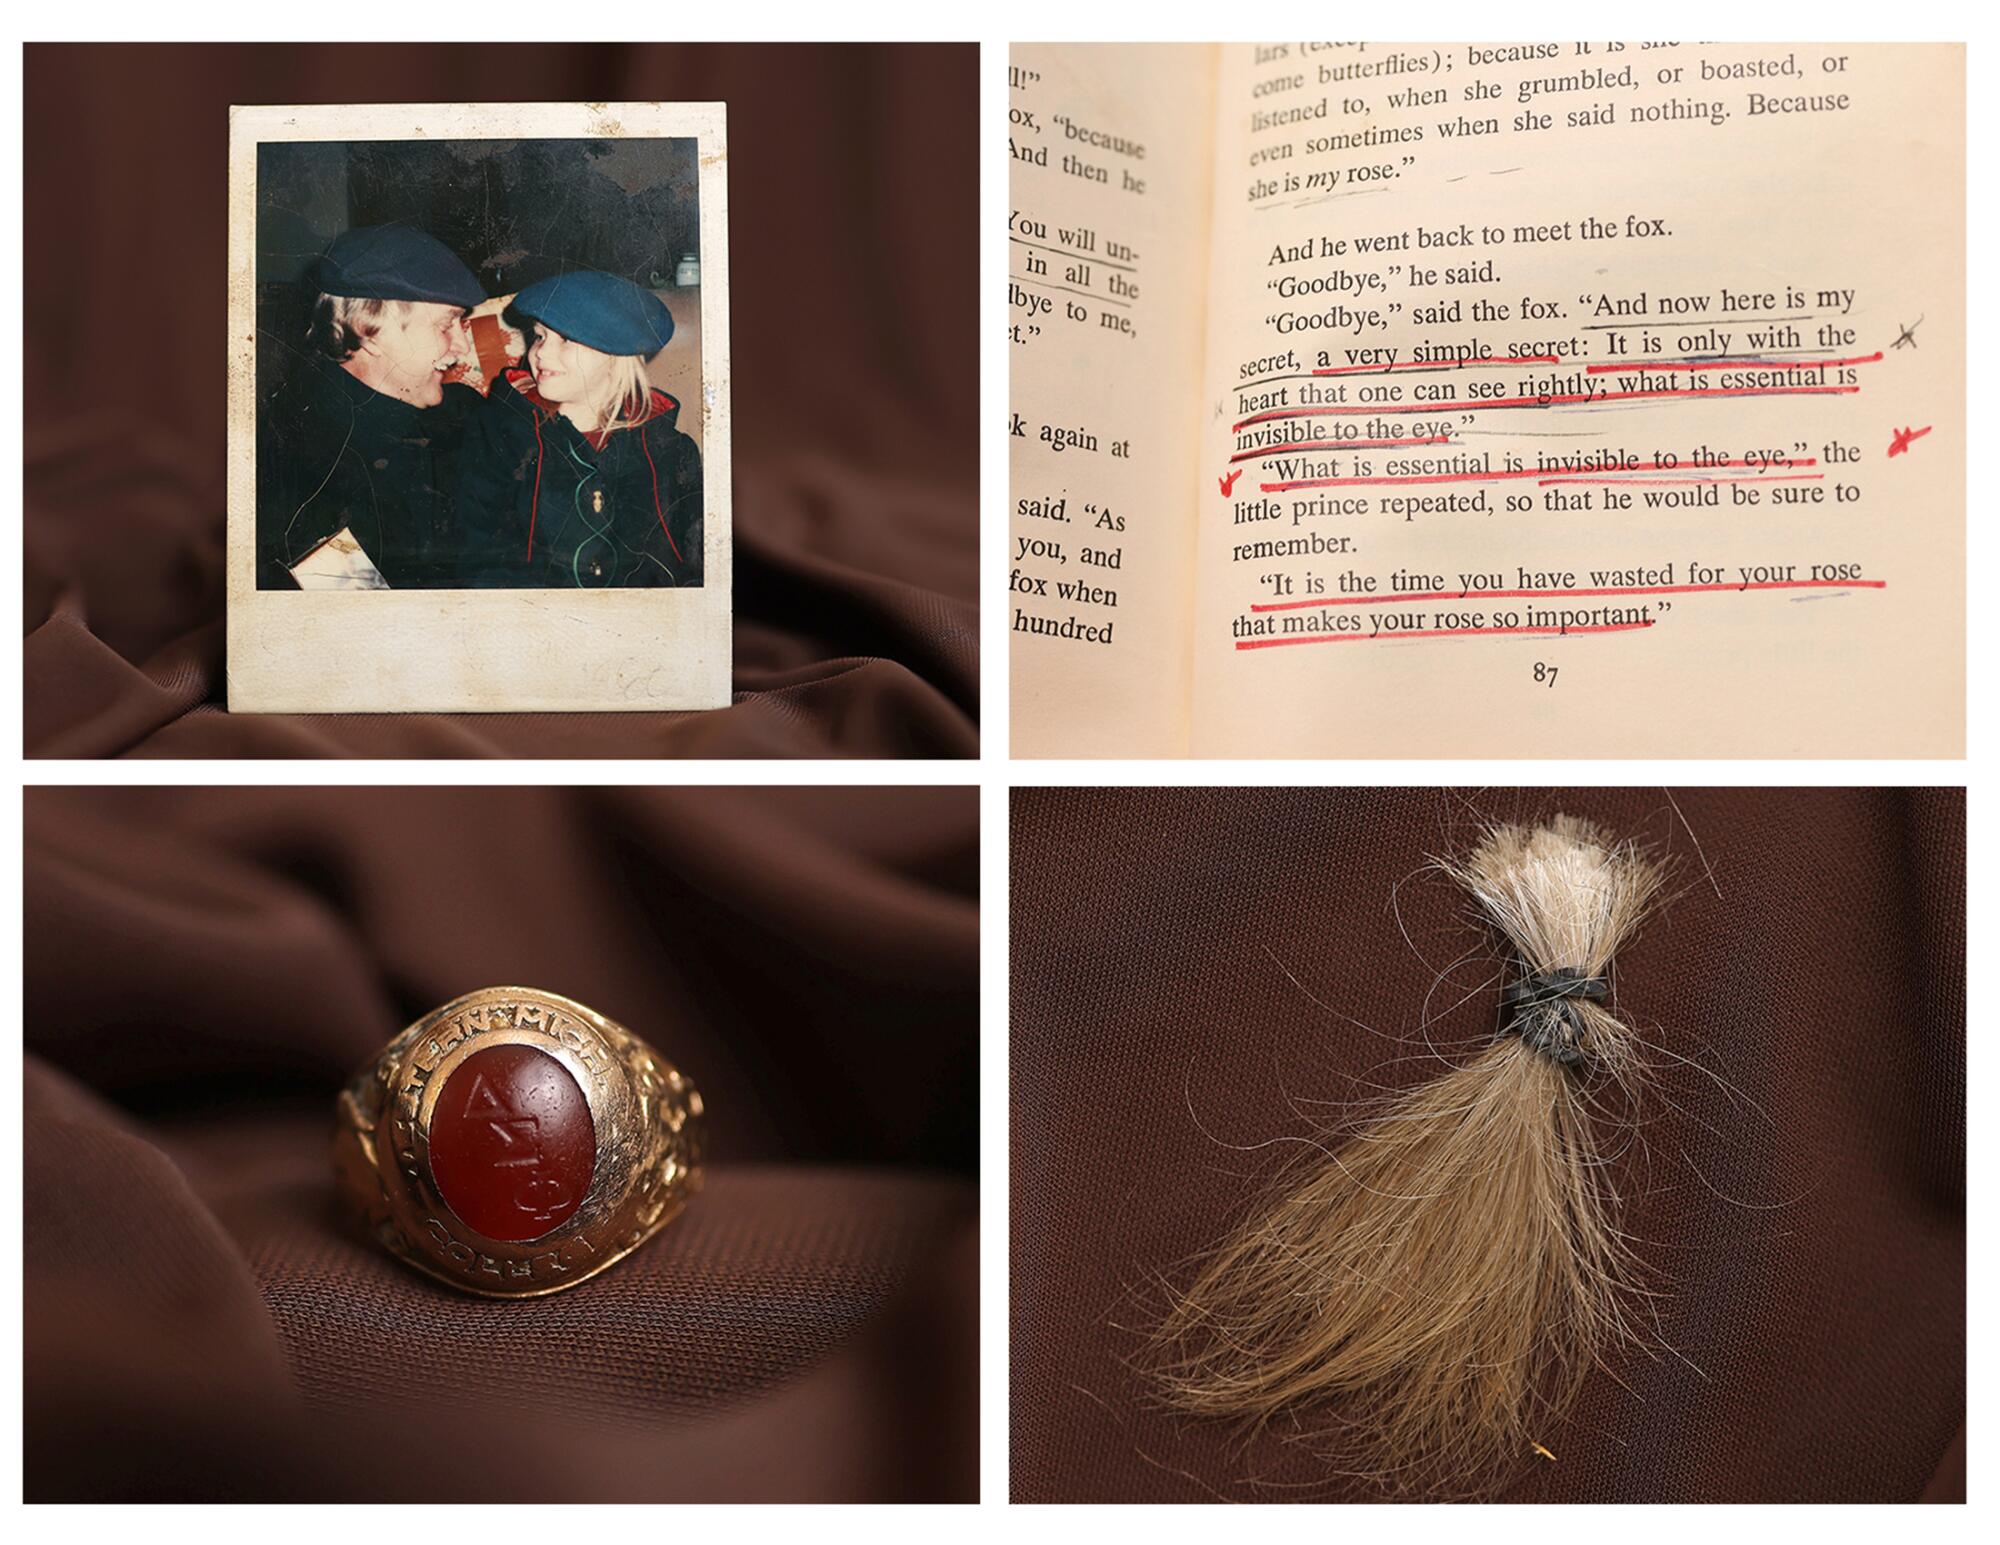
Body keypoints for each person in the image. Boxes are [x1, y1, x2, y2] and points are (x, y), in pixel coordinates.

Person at [256, 225, 483, 588]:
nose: (462, 347)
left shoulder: (446, 406)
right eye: (446, 326)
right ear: (369, 329)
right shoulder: (305, 474)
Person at [454, 271, 703, 588]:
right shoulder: (499, 436)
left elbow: (696, 564)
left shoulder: (671, 449)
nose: (541, 352)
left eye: (566, 339)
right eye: (540, 336)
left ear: (616, 357)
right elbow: (473, 557)